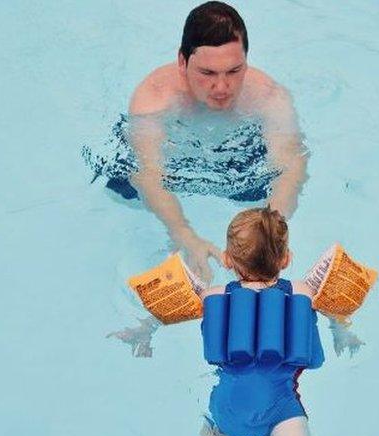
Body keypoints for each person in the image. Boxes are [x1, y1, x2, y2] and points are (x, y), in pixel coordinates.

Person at [127, 2, 308, 284]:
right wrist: (185, 236)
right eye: (208, 73)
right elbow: (148, 176)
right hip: (177, 161)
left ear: (246, 61)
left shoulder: (269, 98)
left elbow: (291, 166)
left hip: (241, 156)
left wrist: (271, 236)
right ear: (182, 62)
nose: (222, 87)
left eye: (234, 71)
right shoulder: (154, 100)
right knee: (126, 192)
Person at [200, 207, 322, 436]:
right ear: (286, 258)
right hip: (281, 408)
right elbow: (313, 356)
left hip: (230, 409)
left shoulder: (212, 298)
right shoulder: (301, 294)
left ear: (226, 260)